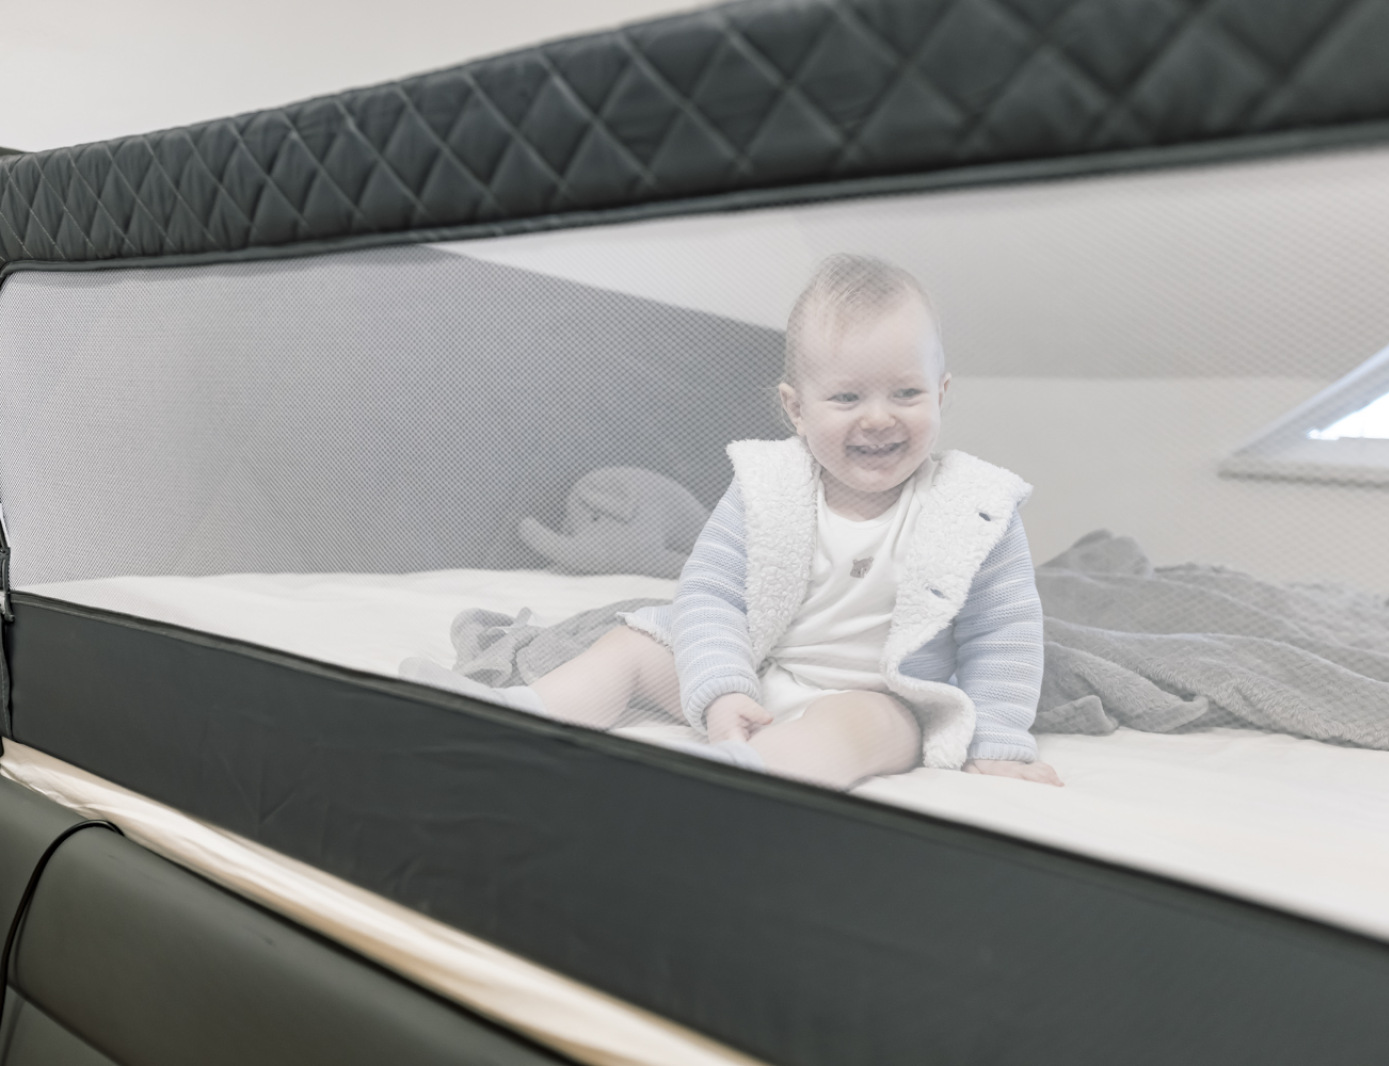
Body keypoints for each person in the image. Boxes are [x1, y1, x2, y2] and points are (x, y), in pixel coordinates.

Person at [416, 255, 1057, 791]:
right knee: (630, 646)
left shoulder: (974, 508)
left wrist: (998, 741)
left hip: (875, 695)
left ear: (940, 393)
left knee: (858, 729)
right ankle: (511, 713)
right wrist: (722, 689)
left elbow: (1004, 635)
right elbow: (710, 595)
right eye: (846, 397)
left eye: (906, 394)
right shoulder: (767, 486)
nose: (878, 418)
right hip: (752, 671)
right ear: (796, 409)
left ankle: (737, 776)